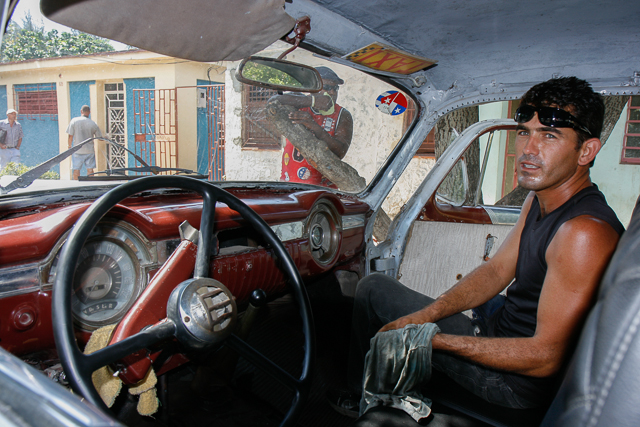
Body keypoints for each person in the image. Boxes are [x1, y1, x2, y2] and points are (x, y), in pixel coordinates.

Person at [333, 77, 625, 417]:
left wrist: (428, 339)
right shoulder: (538, 199)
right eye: (524, 131)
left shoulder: (583, 233)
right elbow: (497, 269)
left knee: (375, 300)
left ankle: (363, 400)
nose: (529, 149)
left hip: (511, 384)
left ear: (586, 151)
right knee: (373, 289)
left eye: (549, 135)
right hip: (494, 328)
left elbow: (546, 357)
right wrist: (427, 316)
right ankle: (367, 392)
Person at [273, 66, 353, 188]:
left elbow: (340, 152)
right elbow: (274, 101)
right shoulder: (299, 103)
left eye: (335, 88)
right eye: (326, 88)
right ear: (312, 89)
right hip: (289, 184)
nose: (332, 92)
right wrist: (313, 101)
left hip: (322, 191)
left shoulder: (342, 115)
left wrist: (314, 126)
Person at [66, 105, 102, 180]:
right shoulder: (93, 124)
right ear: (89, 112)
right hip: (89, 150)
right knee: (90, 169)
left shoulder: (74, 121)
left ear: (81, 111)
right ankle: (90, 185)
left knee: (76, 169)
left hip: (77, 150)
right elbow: (100, 138)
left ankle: (76, 185)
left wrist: (69, 146)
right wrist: (107, 137)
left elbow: (70, 135)